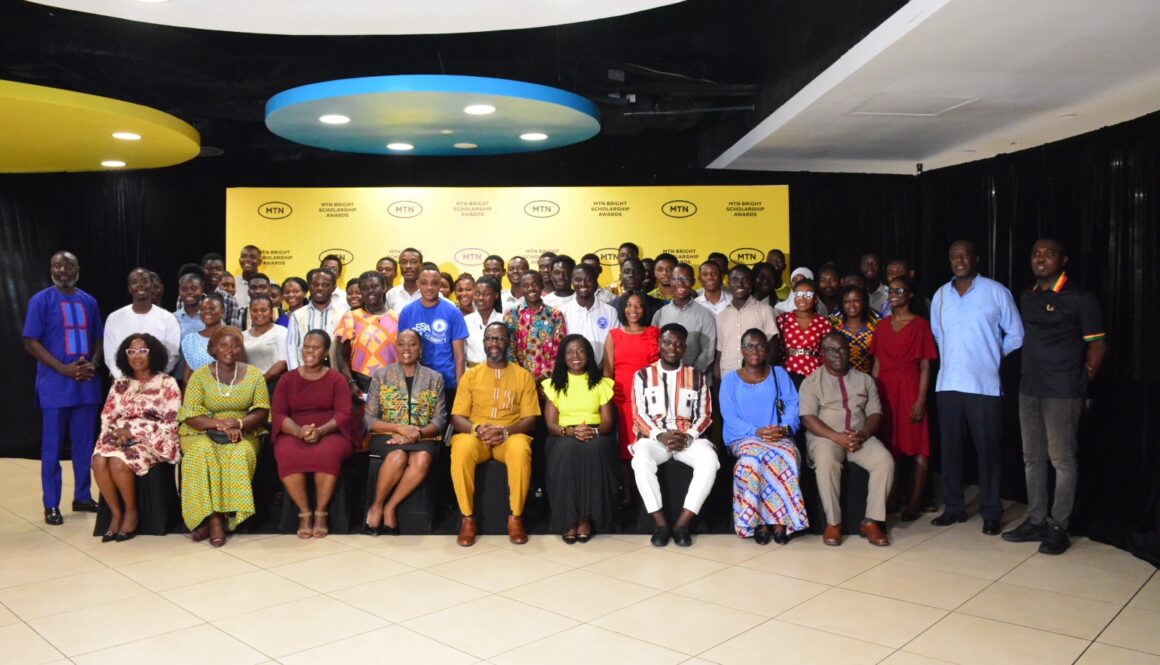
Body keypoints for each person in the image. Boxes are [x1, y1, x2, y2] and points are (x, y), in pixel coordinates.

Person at [1002, 239, 1106, 554]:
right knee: (1032, 458)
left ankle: (1059, 526)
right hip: (1029, 389)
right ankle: (1036, 520)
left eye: (1049, 254)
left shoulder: (1080, 297)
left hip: (1063, 392)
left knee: (1061, 460)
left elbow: (1098, 344)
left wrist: (1081, 377)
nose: (1040, 258)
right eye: (1035, 253)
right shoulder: (1027, 295)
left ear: (1064, 260)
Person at [930, 240, 1024, 535]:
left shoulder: (996, 291)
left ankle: (991, 511)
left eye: (965, 255)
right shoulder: (941, 295)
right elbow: (937, 334)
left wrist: (993, 355)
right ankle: (954, 508)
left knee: (988, 451)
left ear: (976, 259)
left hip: (985, 387)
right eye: (954, 256)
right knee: (951, 450)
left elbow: (1017, 334)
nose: (959, 260)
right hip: (948, 385)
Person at [23, 251, 104, 525]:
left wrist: (93, 363)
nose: (63, 270)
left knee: (84, 447)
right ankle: (51, 504)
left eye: (68, 265)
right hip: (55, 386)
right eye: (57, 265)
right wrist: (63, 369)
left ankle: (82, 496)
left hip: (86, 387)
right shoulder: (40, 300)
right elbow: (31, 342)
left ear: (77, 269)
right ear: (51, 269)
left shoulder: (89, 301)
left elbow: (98, 338)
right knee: (51, 449)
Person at [448, 323, 540, 546]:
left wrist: (506, 431)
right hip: (476, 435)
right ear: (483, 343)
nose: (494, 343)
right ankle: (468, 519)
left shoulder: (523, 376)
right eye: (490, 338)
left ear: (508, 342)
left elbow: (531, 419)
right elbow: (457, 416)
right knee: (460, 449)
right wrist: (477, 429)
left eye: (499, 339)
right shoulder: (471, 376)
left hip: (510, 435)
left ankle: (515, 518)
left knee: (520, 450)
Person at [178, 326, 270, 547]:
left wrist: (237, 423)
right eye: (223, 345)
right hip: (201, 430)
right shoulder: (200, 375)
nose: (230, 349)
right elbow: (190, 413)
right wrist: (222, 425)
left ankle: (224, 519)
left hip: (243, 429)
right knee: (201, 455)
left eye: (235, 345)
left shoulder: (254, 374)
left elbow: (261, 411)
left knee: (239, 454)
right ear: (213, 349)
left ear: (241, 348)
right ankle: (213, 519)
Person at [799, 333, 894, 547]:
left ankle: (871, 522)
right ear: (822, 354)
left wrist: (863, 434)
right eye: (831, 350)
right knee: (826, 463)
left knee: (885, 461)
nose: (838, 354)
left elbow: (875, 414)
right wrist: (836, 437)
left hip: (859, 437)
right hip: (825, 437)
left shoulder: (864, 379)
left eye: (842, 349)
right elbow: (807, 417)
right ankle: (833, 523)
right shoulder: (811, 381)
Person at [631, 323, 718, 548]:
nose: (673, 347)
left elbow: (706, 415)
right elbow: (638, 413)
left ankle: (682, 524)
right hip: (654, 439)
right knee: (640, 460)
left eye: (678, 343)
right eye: (668, 342)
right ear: (659, 344)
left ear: (684, 348)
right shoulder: (642, 375)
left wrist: (688, 436)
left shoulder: (697, 377)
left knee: (710, 460)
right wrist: (660, 435)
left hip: (687, 439)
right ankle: (660, 523)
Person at [719, 329, 808, 544]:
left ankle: (781, 520)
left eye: (760, 346)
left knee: (787, 455)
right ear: (741, 350)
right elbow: (730, 416)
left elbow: (792, 406)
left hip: (778, 435)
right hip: (744, 438)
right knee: (751, 461)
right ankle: (756, 521)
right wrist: (757, 432)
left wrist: (784, 428)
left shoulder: (779, 374)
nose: (755, 350)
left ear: (767, 350)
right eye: (749, 346)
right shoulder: (730, 379)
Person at [92, 333, 182, 541]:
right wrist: (112, 435)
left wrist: (133, 434)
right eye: (131, 352)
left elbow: (170, 421)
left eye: (143, 351)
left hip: (153, 439)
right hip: (118, 437)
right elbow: (107, 416)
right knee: (98, 460)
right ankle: (116, 514)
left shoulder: (166, 383)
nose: (137, 356)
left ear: (153, 354)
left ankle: (131, 512)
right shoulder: (120, 383)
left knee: (117, 461)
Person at [271, 330, 355, 539]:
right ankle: (304, 513)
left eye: (316, 348)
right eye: (306, 347)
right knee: (287, 453)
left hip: (330, 431)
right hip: (293, 431)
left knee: (327, 453)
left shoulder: (336, 379)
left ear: (326, 352)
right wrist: (299, 431)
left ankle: (321, 513)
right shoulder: (287, 379)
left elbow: (344, 414)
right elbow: (279, 413)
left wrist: (320, 431)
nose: (310, 351)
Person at [363, 329, 447, 535]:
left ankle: (390, 507)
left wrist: (416, 433)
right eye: (401, 344)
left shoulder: (434, 378)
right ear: (395, 348)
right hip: (386, 435)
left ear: (421, 348)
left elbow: (440, 418)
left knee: (422, 458)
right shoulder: (381, 376)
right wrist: (398, 428)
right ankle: (376, 506)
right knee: (398, 455)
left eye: (412, 344)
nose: (406, 349)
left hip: (423, 436)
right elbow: (370, 419)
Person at [871, 275, 938, 522]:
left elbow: (925, 367)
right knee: (890, 445)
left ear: (910, 295)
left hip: (910, 390)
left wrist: (921, 400)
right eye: (892, 290)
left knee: (918, 447)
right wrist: (872, 396)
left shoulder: (920, 325)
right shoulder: (881, 325)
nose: (895, 293)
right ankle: (892, 496)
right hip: (886, 391)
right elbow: (876, 364)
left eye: (901, 290)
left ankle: (916, 500)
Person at [541, 335, 618, 543]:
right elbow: (550, 425)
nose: (575, 356)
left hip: (595, 432)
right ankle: (569, 519)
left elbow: (608, 422)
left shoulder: (601, 384)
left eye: (581, 351)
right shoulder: (553, 384)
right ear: (562, 357)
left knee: (597, 449)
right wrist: (571, 432)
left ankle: (585, 518)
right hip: (564, 433)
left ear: (589, 355)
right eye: (569, 352)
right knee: (566, 451)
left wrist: (592, 432)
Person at [603, 291, 660, 503]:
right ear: (622, 308)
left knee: (648, 445)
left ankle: (650, 495)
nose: (633, 310)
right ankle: (627, 495)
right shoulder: (614, 335)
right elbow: (607, 372)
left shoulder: (654, 333)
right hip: (622, 399)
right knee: (626, 449)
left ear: (644, 309)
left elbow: (659, 368)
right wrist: (608, 397)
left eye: (638, 306)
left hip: (649, 400)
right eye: (628, 305)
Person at [398, 263, 469, 401]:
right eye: (424, 283)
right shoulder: (407, 311)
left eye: (434, 283)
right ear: (418, 284)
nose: (429, 287)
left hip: (446, 381)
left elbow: (459, 356)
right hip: (416, 381)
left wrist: (460, 387)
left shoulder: (453, 311)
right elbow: (401, 350)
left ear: (439, 285)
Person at [104, 268, 181, 378]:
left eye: (145, 281)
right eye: (135, 282)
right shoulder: (114, 318)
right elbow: (110, 357)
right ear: (129, 288)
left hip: (157, 382)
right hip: (123, 382)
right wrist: (124, 378)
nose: (140, 285)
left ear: (152, 286)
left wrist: (152, 378)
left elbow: (172, 355)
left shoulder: (168, 318)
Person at [334, 271, 398, 399]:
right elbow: (341, 355)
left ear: (384, 288)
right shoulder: (350, 317)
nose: (370, 291)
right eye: (364, 289)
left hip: (393, 383)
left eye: (374, 286)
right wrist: (351, 383)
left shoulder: (398, 317)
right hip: (360, 382)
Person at [715, 264, 779, 379]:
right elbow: (720, 351)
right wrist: (717, 382)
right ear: (728, 283)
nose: (740, 284)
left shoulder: (765, 310)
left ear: (752, 284)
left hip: (757, 375)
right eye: (735, 280)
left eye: (745, 280)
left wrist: (765, 375)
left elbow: (773, 346)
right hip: (728, 375)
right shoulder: (721, 316)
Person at [653, 263, 716, 377]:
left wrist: (689, 375)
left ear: (692, 282)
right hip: (664, 378)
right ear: (671, 281)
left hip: (695, 380)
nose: (680, 283)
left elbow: (708, 352)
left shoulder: (705, 315)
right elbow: (653, 346)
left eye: (685, 279)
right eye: (676, 278)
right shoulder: (660, 313)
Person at [504, 271, 566, 383]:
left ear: (542, 285)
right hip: (518, 381)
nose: (531, 288)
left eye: (535, 284)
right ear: (521, 289)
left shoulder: (555, 315)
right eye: (525, 285)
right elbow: (508, 348)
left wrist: (543, 376)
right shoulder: (511, 314)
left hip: (548, 381)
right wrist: (522, 378)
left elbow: (559, 349)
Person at [286, 268, 349, 371]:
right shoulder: (297, 315)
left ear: (333, 288)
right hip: (304, 377)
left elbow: (346, 351)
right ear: (309, 286)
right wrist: (297, 376)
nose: (319, 288)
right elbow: (292, 349)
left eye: (326, 285)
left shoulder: (344, 314)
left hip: (335, 376)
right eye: (315, 284)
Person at [777, 278, 834, 385]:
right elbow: (777, 350)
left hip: (815, 374)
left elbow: (827, 353)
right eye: (798, 294)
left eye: (808, 295)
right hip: (786, 371)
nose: (802, 298)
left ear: (816, 298)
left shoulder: (824, 323)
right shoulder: (782, 319)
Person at [560, 263, 619, 365]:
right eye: (578, 279)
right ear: (571, 282)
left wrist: (601, 368)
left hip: (601, 371)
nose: (583, 283)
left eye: (588, 279)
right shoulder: (562, 312)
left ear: (595, 281)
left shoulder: (610, 312)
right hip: (570, 374)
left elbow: (614, 345)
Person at [241, 295, 288, 396]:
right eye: (254, 310)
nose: (259, 313)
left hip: (275, 385)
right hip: (249, 386)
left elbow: (282, 363)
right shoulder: (242, 335)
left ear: (271, 312)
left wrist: (260, 382)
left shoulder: (281, 331)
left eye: (263, 310)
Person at [830, 285, 877, 374]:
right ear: (842, 304)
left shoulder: (874, 328)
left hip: (867, 382)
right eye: (847, 301)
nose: (851, 305)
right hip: (840, 381)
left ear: (863, 302)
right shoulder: (834, 328)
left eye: (856, 300)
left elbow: (878, 361)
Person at [181, 293, 226, 382]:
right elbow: (187, 377)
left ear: (222, 311)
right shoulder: (191, 339)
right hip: (198, 392)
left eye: (211, 308)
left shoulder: (232, 337)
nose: (206, 311)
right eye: (202, 309)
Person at [464, 275, 504, 367]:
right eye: (477, 294)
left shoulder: (503, 320)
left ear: (496, 295)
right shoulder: (465, 321)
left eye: (486, 294)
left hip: (497, 372)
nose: (481, 298)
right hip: (472, 373)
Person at [610, 258, 664, 325]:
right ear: (620, 276)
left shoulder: (658, 306)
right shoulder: (611, 307)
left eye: (637, 272)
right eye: (627, 271)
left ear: (643, 276)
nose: (631, 275)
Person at [173, 272, 205, 380]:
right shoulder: (172, 319)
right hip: (178, 376)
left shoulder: (212, 318)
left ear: (202, 290)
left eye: (194, 288)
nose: (189, 292)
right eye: (184, 289)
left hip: (207, 378)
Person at [200, 253, 241, 327]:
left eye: (218, 269)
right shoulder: (189, 296)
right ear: (202, 269)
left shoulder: (230, 300)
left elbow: (233, 331)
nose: (214, 272)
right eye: (209, 269)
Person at [386, 248, 423, 313]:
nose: (408, 266)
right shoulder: (391, 294)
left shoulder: (430, 294)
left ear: (421, 265)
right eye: (404, 262)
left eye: (413, 262)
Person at [235, 245, 262, 309]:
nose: (247, 260)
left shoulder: (270, 284)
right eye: (244, 256)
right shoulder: (232, 284)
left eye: (252, 257)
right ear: (239, 260)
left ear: (260, 261)